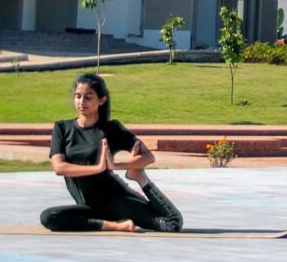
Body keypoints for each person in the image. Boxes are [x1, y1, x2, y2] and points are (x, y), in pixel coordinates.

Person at [41, 73, 184, 233]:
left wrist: (117, 165)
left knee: (171, 223)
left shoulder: (111, 129)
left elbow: (148, 157)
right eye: (78, 96)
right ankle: (114, 226)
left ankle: (139, 177)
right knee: (49, 217)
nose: (82, 102)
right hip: (89, 206)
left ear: (101, 100)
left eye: (88, 97)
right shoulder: (62, 128)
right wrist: (98, 168)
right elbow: (59, 167)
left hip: (116, 200)